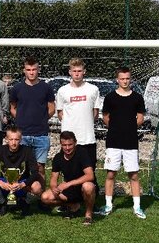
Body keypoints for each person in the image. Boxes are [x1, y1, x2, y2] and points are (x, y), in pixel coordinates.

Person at [99, 66, 147, 219]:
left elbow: (140, 118)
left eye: (127, 79)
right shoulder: (110, 97)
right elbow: (105, 117)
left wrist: (129, 128)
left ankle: (137, 207)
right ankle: (108, 205)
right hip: (113, 142)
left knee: (133, 175)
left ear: (130, 79)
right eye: (122, 79)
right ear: (117, 80)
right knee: (111, 173)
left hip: (131, 143)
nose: (125, 81)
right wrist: (116, 128)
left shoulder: (137, 97)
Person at [9, 56, 55, 185]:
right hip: (22, 135)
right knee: (21, 168)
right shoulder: (17, 88)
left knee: (40, 168)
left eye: (34, 69)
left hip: (41, 134)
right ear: (24, 70)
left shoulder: (46, 88)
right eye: (28, 70)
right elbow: (12, 108)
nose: (31, 72)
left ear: (38, 70)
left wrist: (41, 119)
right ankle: (21, 193)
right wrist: (21, 118)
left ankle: (40, 195)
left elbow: (51, 108)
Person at [56, 58, 100, 189]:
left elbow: (95, 113)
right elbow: (60, 114)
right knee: (69, 173)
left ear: (84, 71)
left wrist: (84, 122)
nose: (77, 74)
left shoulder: (93, 89)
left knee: (89, 174)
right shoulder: (62, 90)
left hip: (87, 139)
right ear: (70, 72)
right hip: (69, 140)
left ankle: (91, 197)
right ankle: (69, 197)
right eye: (74, 71)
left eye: (79, 71)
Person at [40, 131, 96, 225]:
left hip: (82, 187)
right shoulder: (58, 157)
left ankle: (88, 215)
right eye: (64, 145)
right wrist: (54, 188)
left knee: (88, 186)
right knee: (45, 197)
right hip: (68, 190)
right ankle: (73, 206)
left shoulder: (82, 153)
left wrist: (68, 184)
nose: (67, 148)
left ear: (75, 143)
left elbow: (90, 176)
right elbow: (53, 178)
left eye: (70, 145)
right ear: (61, 144)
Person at [0, 126, 42, 216]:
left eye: (16, 139)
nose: (13, 142)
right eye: (11, 139)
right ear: (6, 139)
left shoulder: (27, 151)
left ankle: (25, 203)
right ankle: (3, 203)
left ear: (20, 139)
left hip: (21, 183)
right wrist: (1, 183)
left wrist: (23, 184)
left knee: (37, 187)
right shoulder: (0, 150)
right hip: (6, 183)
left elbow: (35, 172)